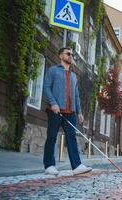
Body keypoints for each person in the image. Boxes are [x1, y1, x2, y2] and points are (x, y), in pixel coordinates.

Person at [43, 47, 92, 175]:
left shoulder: (73, 76)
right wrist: (53, 103)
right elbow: (46, 87)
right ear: (60, 56)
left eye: (72, 55)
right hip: (55, 111)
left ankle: (76, 166)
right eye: (68, 54)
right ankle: (49, 166)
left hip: (71, 113)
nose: (71, 56)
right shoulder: (53, 70)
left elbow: (76, 96)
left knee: (72, 137)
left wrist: (79, 112)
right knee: (52, 137)